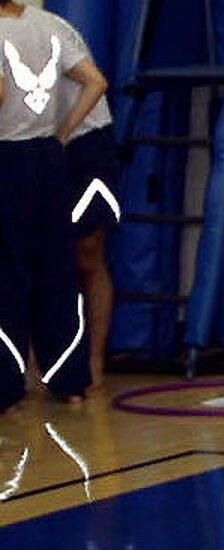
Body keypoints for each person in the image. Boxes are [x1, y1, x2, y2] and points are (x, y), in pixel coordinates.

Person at [0, 0, 105, 409]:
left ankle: (6, 384)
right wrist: (62, 130)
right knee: (57, 270)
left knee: (7, 272)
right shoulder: (48, 24)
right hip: (48, 156)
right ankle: (69, 381)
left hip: (6, 157)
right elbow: (96, 81)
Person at [59, 71, 121, 388]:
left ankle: (94, 362)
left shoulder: (55, 30)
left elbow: (97, 82)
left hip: (84, 140)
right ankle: (33, 367)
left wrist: (63, 133)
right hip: (26, 144)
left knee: (89, 252)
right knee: (27, 257)